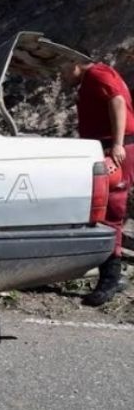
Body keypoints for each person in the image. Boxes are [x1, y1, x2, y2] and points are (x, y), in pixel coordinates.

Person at [61, 58, 134, 306]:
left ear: (75, 62)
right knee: (105, 209)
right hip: (107, 146)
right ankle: (111, 273)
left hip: (115, 149)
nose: (61, 75)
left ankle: (110, 280)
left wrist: (117, 144)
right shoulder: (96, 77)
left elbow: (118, 101)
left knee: (110, 211)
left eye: (62, 68)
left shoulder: (97, 75)